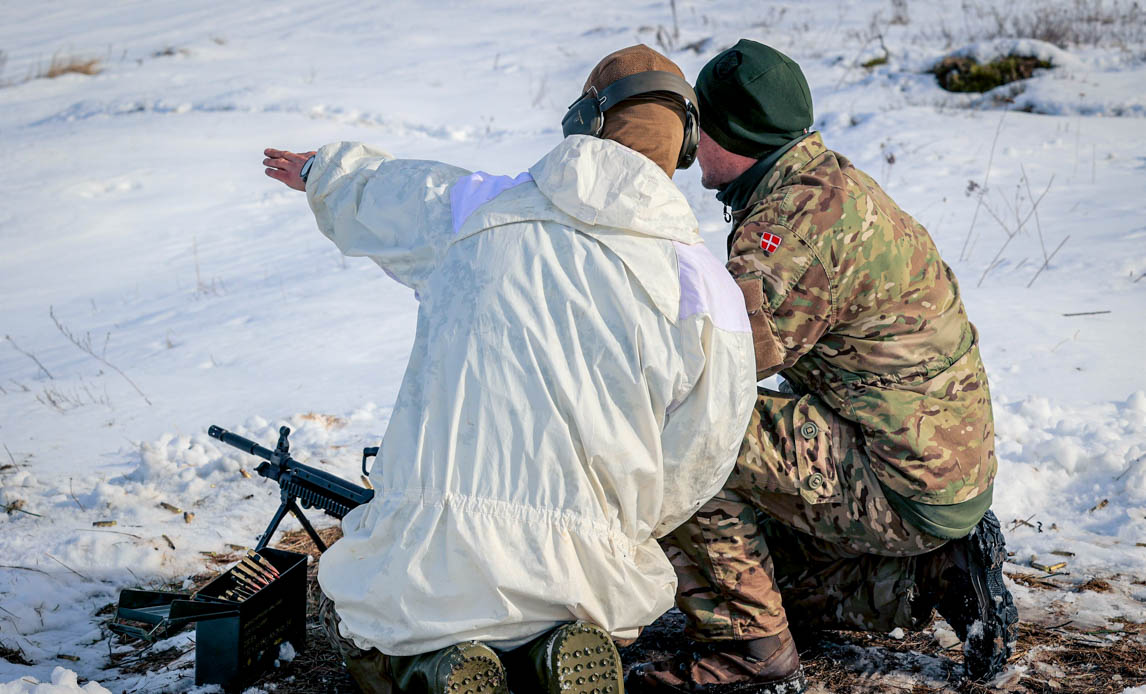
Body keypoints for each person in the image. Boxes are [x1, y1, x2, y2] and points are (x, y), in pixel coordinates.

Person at [262, 44, 756, 694]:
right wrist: (624, 523)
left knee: (372, 616)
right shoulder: (705, 285)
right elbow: (706, 446)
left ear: (586, 122)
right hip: (586, 568)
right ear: (685, 146)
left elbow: (392, 193)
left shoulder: (479, 207)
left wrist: (325, 171)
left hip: (430, 551)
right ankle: (560, 648)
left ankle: (432, 667)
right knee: (570, 600)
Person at [626, 40, 1018, 694]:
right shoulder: (825, 183)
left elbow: (713, 376)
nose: (691, 145)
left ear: (737, 135)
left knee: (688, 440)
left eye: (701, 127)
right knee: (782, 581)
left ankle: (752, 659)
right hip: (943, 463)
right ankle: (935, 573)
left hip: (901, 479)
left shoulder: (787, 231)